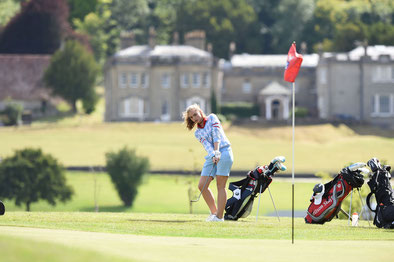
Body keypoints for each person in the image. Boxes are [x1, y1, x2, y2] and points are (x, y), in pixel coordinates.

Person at [183, 104, 233, 222]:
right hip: (212, 156)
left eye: (195, 114)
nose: (194, 118)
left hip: (224, 152)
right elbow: (206, 145)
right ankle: (214, 213)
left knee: (220, 186)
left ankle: (220, 217)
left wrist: (217, 151)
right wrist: (213, 154)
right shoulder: (197, 133)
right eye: (191, 117)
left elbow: (216, 136)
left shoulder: (212, 118)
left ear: (200, 111)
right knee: (202, 185)